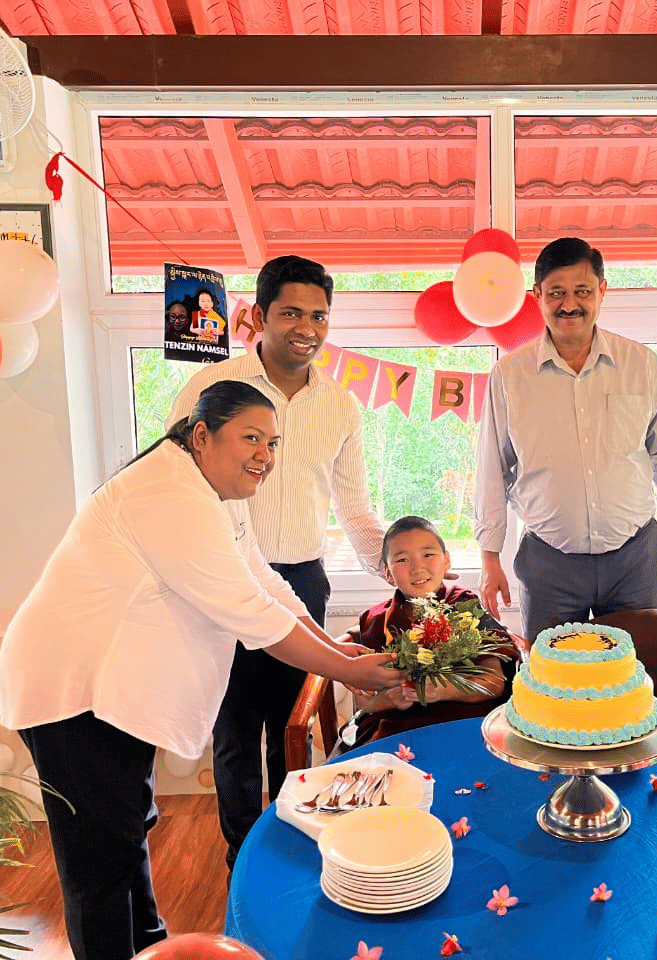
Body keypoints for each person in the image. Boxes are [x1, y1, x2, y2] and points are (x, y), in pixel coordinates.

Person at [0, 381, 404, 960]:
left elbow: (267, 586)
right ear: (201, 435)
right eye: (250, 438)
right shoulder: (168, 495)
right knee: (99, 861)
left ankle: (149, 948)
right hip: (70, 691)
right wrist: (352, 673)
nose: (265, 455)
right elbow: (253, 617)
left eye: (272, 442)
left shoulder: (211, 493)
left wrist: (347, 658)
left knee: (128, 827)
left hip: (112, 690)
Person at [167, 255, 385, 872]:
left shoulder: (341, 405)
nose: (307, 327)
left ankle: (293, 847)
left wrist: (404, 571)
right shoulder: (213, 391)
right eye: (291, 312)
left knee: (294, 726)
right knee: (236, 730)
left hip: (303, 580)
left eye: (319, 315)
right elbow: (176, 480)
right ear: (259, 316)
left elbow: (357, 511)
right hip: (224, 580)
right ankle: (244, 859)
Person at [474, 236, 657, 643]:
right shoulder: (510, 375)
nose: (569, 304)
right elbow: (493, 469)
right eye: (556, 293)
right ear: (537, 295)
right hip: (549, 564)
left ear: (602, 291)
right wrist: (490, 559)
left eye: (582, 291)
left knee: (637, 677)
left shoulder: (641, 364)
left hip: (635, 558)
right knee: (552, 687)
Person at [340, 515, 518, 750]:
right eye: (402, 560)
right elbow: (363, 701)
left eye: (428, 555)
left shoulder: (465, 608)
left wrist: (444, 688)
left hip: (463, 726)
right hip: (398, 731)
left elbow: (494, 682)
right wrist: (389, 699)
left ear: (446, 561)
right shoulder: (376, 620)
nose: (417, 568)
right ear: (388, 572)